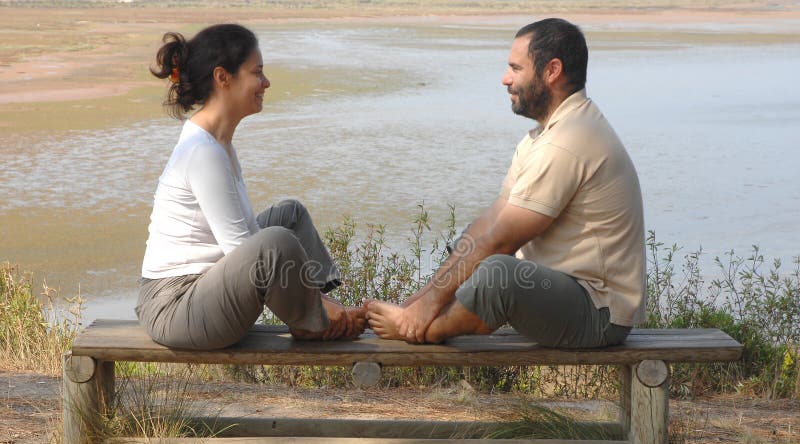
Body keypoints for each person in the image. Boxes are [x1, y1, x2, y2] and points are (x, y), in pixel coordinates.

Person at [367, 18, 645, 348]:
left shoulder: (568, 142)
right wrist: (417, 302)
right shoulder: (546, 136)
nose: (505, 79)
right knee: (474, 235)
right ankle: (418, 319)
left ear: (551, 71)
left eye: (516, 68)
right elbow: (490, 224)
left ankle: (429, 331)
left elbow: (502, 240)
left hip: (597, 315)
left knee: (499, 270)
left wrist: (422, 315)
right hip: (564, 296)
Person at [136, 24, 365, 350]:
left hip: (203, 292)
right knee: (275, 241)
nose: (266, 82)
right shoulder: (202, 153)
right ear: (223, 77)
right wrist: (325, 311)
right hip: (176, 307)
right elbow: (241, 246)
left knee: (289, 216)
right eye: (257, 72)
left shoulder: (219, 144)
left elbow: (245, 236)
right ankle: (318, 319)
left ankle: (317, 315)